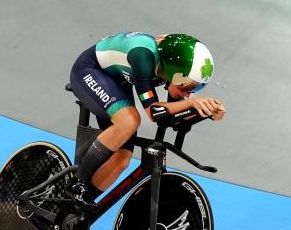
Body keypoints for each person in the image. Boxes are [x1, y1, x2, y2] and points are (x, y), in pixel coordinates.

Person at [68, 32, 226, 217]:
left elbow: (171, 116)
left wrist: (204, 112)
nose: (189, 93)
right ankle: (77, 184)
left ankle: (74, 209)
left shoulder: (169, 67)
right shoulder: (142, 57)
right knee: (129, 120)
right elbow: (154, 112)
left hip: (118, 83)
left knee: (121, 160)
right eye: (188, 86)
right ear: (173, 72)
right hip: (89, 71)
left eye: (196, 87)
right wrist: (192, 103)